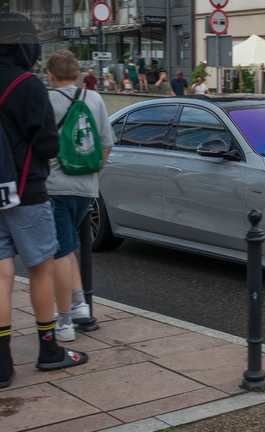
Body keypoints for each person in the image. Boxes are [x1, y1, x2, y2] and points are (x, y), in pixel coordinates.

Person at [0, 13, 88, 388]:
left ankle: (1, 365)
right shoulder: (28, 85)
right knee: (40, 267)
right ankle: (49, 348)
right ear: (25, 46)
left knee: (1, 274)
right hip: (28, 191)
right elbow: (48, 143)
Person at [46, 50, 114, 342]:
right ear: (77, 74)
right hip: (86, 189)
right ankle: (80, 306)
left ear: (49, 75)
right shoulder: (94, 98)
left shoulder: (46, 100)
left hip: (54, 187)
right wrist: (92, 176)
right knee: (69, 244)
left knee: (59, 252)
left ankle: (64, 324)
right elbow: (107, 143)